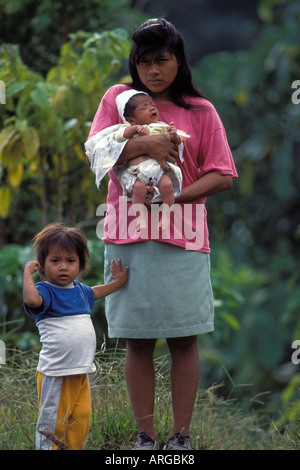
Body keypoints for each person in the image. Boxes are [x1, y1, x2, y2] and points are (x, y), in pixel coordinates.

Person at [87, 18, 237, 450]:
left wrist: (174, 197)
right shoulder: (119, 99)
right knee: (137, 339)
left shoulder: (200, 111)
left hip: (183, 236)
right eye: (144, 61)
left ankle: (181, 438)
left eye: (162, 61)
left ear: (178, 62)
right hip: (127, 234)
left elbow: (223, 174)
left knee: (183, 336)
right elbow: (98, 151)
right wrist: (148, 146)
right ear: (135, 63)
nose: (152, 70)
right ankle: (146, 438)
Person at [23, 222, 128, 450]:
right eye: (55, 261)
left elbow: (97, 291)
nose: (63, 267)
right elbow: (32, 302)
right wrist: (27, 276)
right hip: (56, 372)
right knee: (54, 425)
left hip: (80, 371)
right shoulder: (45, 291)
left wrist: (117, 283)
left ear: (80, 265)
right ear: (42, 266)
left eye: (70, 261)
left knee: (81, 417)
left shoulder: (80, 291)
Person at [114, 89, 189, 231]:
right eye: (144, 108)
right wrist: (135, 129)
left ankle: (165, 218)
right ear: (131, 120)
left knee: (168, 187)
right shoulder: (128, 128)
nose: (151, 108)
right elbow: (119, 137)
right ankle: (140, 220)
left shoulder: (161, 127)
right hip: (137, 173)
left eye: (152, 105)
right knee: (137, 190)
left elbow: (179, 142)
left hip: (158, 172)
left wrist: (174, 136)